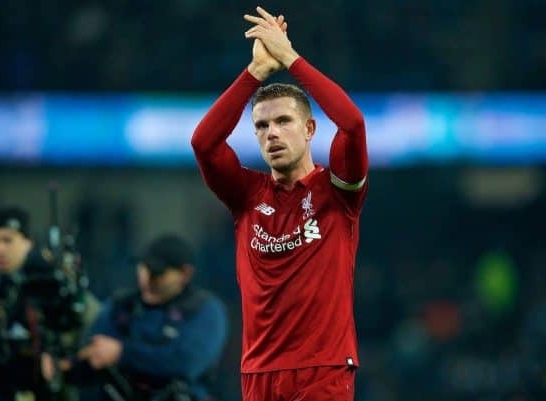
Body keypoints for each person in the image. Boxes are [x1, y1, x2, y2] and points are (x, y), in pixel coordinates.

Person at [190, 6, 368, 401]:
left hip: (323, 370)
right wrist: (253, 74)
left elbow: (352, 124)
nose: (271, 133)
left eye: (283, 122)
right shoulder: (247, 196)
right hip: (259, 372)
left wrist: (289, 58)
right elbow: (203, 142)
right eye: (261, 126)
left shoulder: (338, 192)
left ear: (309, 129)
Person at [49, 234, 228, 401]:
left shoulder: (203, 310)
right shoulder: (122, 307)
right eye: (143, 269)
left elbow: (186, 362)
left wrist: (123, 353)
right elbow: (93, 353)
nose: (146, 280)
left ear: (185, 273)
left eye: (158, 274)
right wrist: (60, 366)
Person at [0, 207, 99, 401]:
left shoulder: (50, 283)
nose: (0, 249)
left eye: (8, 240)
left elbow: (89, 323)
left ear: (28, 243)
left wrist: (63, 359)